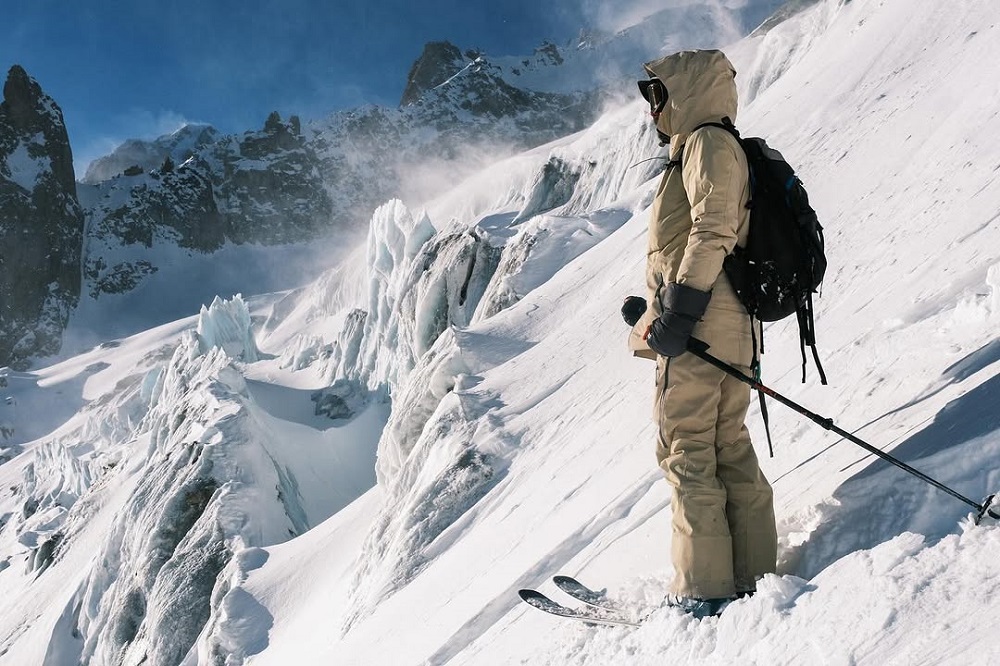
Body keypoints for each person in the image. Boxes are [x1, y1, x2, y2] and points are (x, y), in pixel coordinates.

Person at [627, 49, 777, 618]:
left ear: (685, 91)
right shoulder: (716, 145)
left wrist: (681, 310)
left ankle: (704, 590)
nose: (653, 109)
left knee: (687, 447)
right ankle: (753, 572)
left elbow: (712, 228)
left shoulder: (705, 144)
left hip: (703, 323)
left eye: (657, 95)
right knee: (726, 442)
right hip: (731, 321)